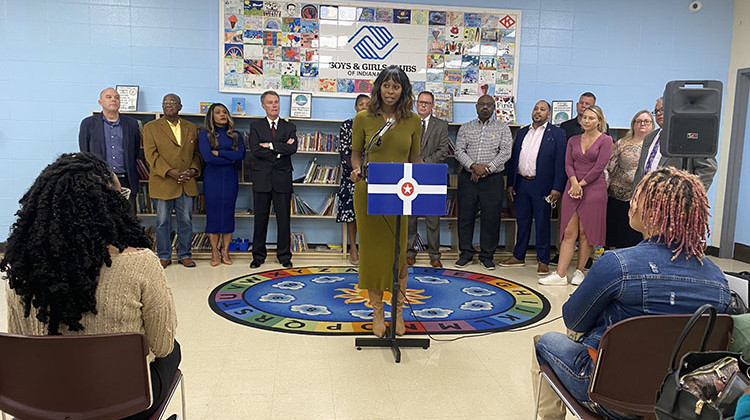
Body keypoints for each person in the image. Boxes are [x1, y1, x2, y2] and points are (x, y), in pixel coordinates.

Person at [532, 167, 731, 419]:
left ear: (652, 211)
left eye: (637, 198)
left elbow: (573, 320)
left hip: (611, 396)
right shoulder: (718, 279)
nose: (631, 205)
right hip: (678, 401)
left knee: (545, 341)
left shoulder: (617, 264)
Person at [1, 153, 180, 420]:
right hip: (123, 406)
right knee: (173, 350)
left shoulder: (23, 268)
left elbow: (21, 338)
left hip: (41, 404)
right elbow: (162, 346)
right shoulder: (140, 263)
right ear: (109, 207)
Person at [349, 65, 423, 338]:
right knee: (372, 255)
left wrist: (425, 179)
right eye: (387, 85)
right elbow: (356, 154)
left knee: (399, 254)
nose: (391, 91)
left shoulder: (413, 121)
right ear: (379, 87)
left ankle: (399, 312)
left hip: (400, 195)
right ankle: (377, 311)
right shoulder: (363, 118)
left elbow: (415, 158)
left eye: (396, 87)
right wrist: (357, 170)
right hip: (368, 192)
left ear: (404, 91)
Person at [540, 105, 612, 286]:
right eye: (584, 118)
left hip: (594, 189)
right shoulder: (572, 140)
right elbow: (568, 164)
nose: (586, 121)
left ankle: (580, 271)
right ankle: (560, 274)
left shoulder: (606, 140)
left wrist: (581, 185)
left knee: (585, 232)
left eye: (591, 118)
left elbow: (599, 167)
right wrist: (573, 183)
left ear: (599, 121)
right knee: (569, 231)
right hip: (572, 188)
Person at [500, 100, 566, 275]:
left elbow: (561, 163)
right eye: (535, 108)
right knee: (522, 221)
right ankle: (518, 255)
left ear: (548, 114)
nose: (538, 111)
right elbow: (515, 159)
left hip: (543, 185)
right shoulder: (522, 132)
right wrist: (511, 183)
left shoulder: (557, 134)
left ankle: (542, 260)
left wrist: (557, 188)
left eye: (542, 109)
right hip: (522, 183)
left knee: (542, 222)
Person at [454, 94, 513, 270]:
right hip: (468, 178)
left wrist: (485, 169)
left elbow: (505, 153)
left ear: (494, 108)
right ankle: (465, 254)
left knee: (491, 218)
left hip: (492, 180)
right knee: (465, 217)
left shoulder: (503, 128)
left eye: (488, 105)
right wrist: (473, 166)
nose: (485, 107)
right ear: (476, 107)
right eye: (482, 104)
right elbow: (458, 151)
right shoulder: (466, 127)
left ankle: (487, 256)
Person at [143, 93, 201, 268]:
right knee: (162, 222)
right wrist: (170, 172)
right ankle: (163, 255)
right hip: (163, 181)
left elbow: (197, 154)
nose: (168, 105)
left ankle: (185, 254)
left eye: (172, 102)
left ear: (180, 107)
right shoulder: (150, 127)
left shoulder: (191, 127)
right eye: (165, 103)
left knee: (186, 221)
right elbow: (151, 155)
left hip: (186, 182)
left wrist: (192, 170)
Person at [248, 90, 298, 269]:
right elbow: (255, 151)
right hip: (262, 179)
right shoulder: (256, 126)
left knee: (284, 220)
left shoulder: (289, 127)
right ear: (263, 106)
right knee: (260, 219)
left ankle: (284, 256)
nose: (274, 105)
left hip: (282, 179)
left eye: (276, 102)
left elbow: (292, 149)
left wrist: (269, 145)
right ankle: (258, 256)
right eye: (270, 102)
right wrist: (280, 150)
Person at [406, 91, 452, 268]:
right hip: (410, 175)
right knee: (410, 217)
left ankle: (434, 255)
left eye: (427, 103)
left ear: (433, 106)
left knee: (433, 218)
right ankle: (410, 253)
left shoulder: (441, 125)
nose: (423, 105)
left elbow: (442, 151)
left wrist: (423, 163)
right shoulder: (408, 123)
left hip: (432, 176)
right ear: (416, 104)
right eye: (420, 102)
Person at [78, 87, 141, 215]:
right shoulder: (88, 124)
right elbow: (85, 153)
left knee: (127, 222)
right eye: (109, 97)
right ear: (100, 102)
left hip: (125, 180)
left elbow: (134, 152)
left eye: (117, 97)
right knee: (101, 221)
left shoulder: (132, 124)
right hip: (99, 180)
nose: (113, 99)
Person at [633, 97, 718, 191]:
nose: (659, 113)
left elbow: (707, 168)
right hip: (645, 197)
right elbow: (640, 171)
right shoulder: (650, 137)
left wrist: (691, 195)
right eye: (656, 111)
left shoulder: (691, 136)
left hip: (672, 199)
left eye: (663, 109)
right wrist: (635, 196)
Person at [198, 103, 246, 266]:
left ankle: (225, 251)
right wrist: (229, 158)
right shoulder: (205, 135)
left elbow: (240, 154)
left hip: (230, 179)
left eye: (224, 112)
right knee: (213, 214)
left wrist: (220, 153)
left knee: (227, 214)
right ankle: (214, 251)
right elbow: (208, 158)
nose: (222, 115)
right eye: (218, 112)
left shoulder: (236, 135)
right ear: (211, 116)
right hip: (212, 179)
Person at [605, 109, 653, 249]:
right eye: (639, 121)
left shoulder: (655, 146)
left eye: (646, 121)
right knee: (614, 235)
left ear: (652, 125)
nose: (642, 124)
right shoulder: (621, 143)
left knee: (634, 236)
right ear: (633, 124)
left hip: (642, 199)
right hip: (617, 196)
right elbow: (610, 167)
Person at [337, 94, 370, 265]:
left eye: (367, 104)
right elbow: (344, 152)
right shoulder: (347, 125)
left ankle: (367, 248)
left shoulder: (376, 125)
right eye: (361, 104)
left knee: (371, 214)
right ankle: (353, 248)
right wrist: (356, 171)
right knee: (352, 214)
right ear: (356, 107)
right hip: (352, 176)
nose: (364, 107)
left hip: (373, 175)